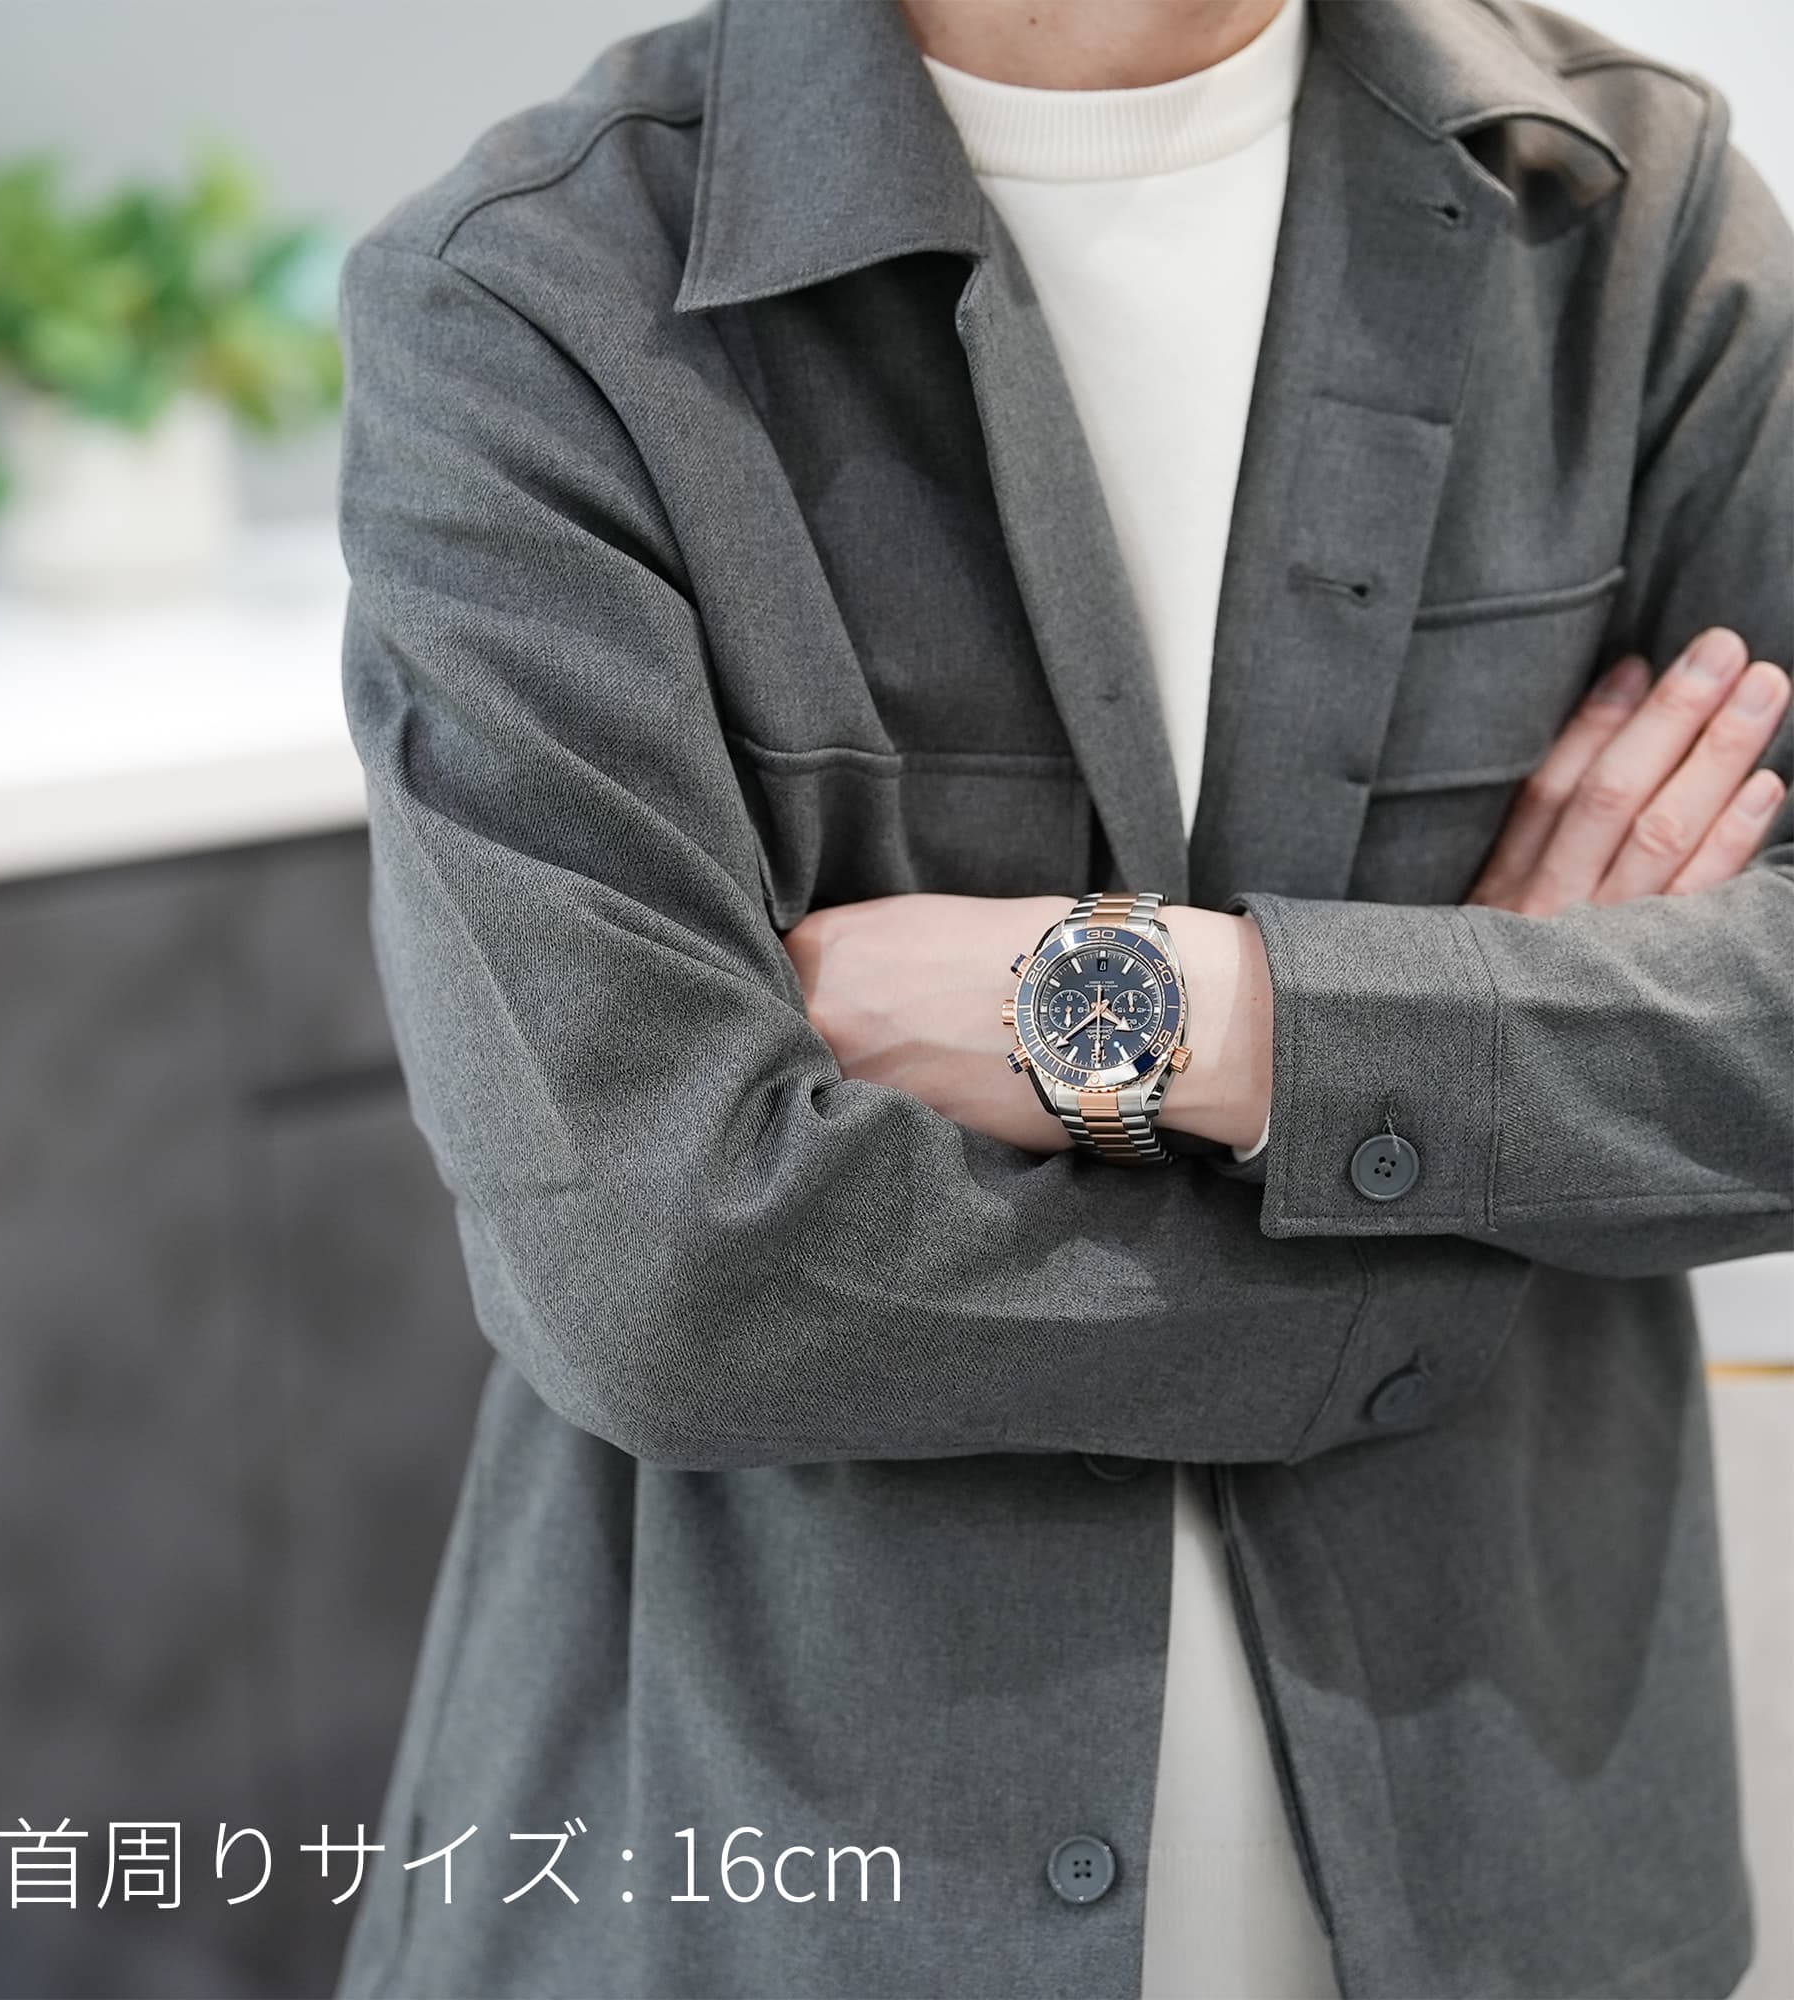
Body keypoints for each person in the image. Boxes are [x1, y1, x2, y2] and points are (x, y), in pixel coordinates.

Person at [330, 0, 1793, 1994]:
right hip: (770, 1901)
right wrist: (1481, 1156)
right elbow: (665, 1270)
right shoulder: (533, 291)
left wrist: (1178, 1012)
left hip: (1520, 1889)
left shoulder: (1633, 215)